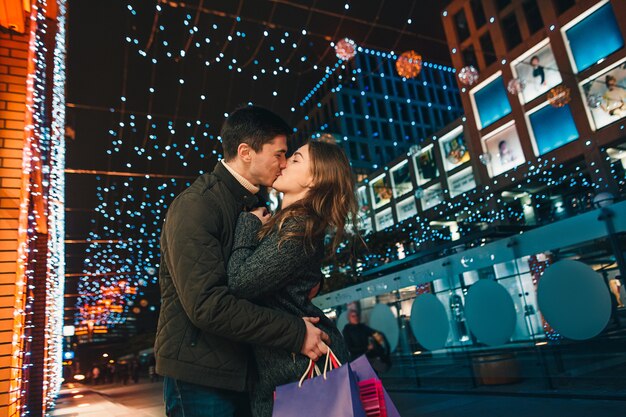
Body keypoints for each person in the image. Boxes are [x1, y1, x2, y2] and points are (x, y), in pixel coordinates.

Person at [155, 106, 330, 417]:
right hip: (202, 376)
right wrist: (294, 332)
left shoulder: (255, 203)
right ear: (246, 152)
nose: (283, 163)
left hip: (247, 372)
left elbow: (266, 273)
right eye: (279, 154)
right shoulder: (198, 205)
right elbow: (208, 305)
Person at [226, 140, 357, 417]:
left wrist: (247, 225)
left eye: (296, 159)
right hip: (287, 363)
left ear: (315, 179)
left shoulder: (299, 226)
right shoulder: (289, 222)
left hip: (298, 367)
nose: (284, 163)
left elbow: (240, 282)